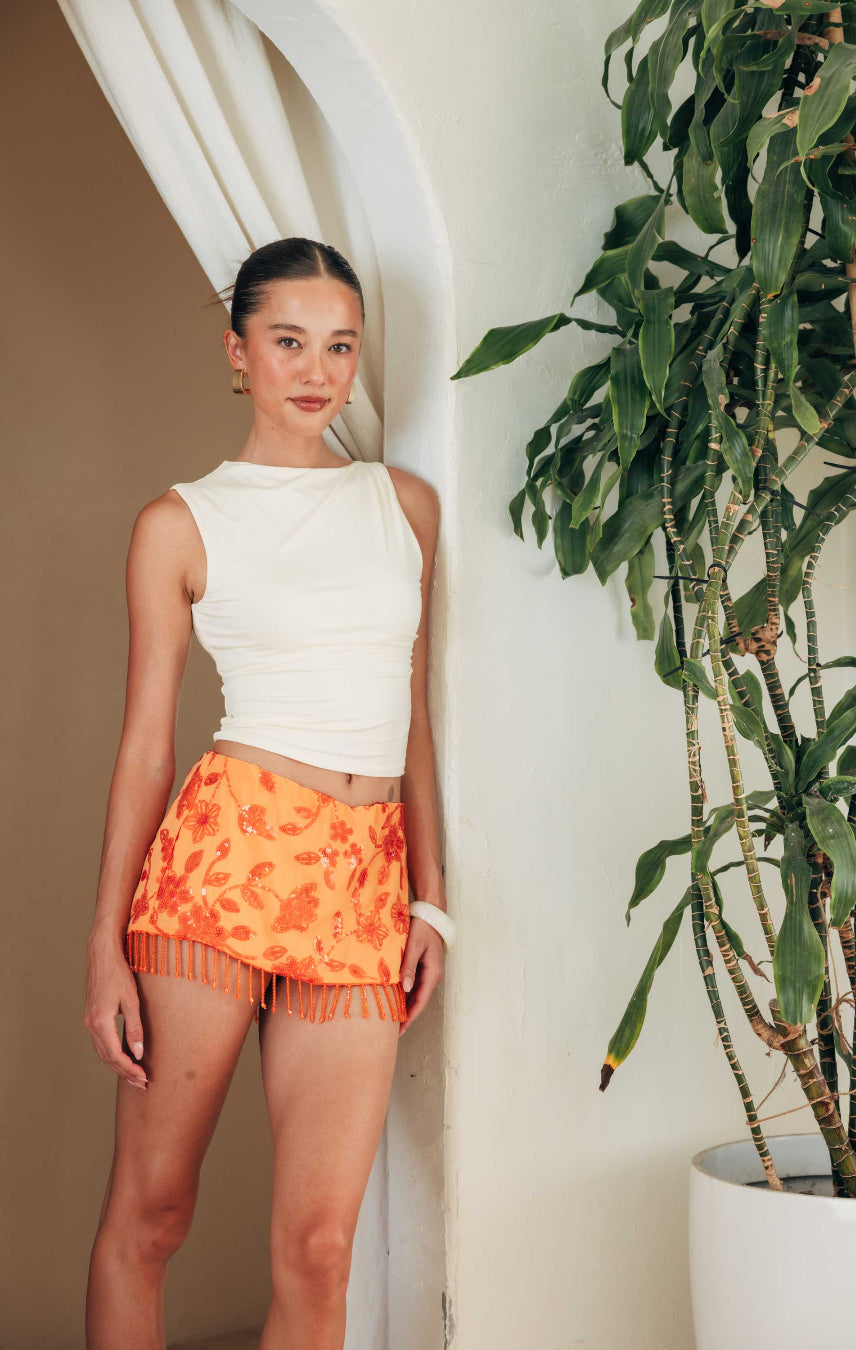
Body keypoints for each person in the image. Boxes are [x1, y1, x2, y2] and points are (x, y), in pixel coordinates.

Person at [82, 237, 453, 1350]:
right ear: (237, 351)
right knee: (151, 1217)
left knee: (320, 1249)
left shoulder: (405, 505)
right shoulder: (180, 523)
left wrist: (430, 900)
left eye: (340, 346)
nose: (317, 368)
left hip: (364, 886)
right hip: (223, 867)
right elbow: (147, 744)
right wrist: (106, 947)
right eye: (288, 341)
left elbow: (414, 712)